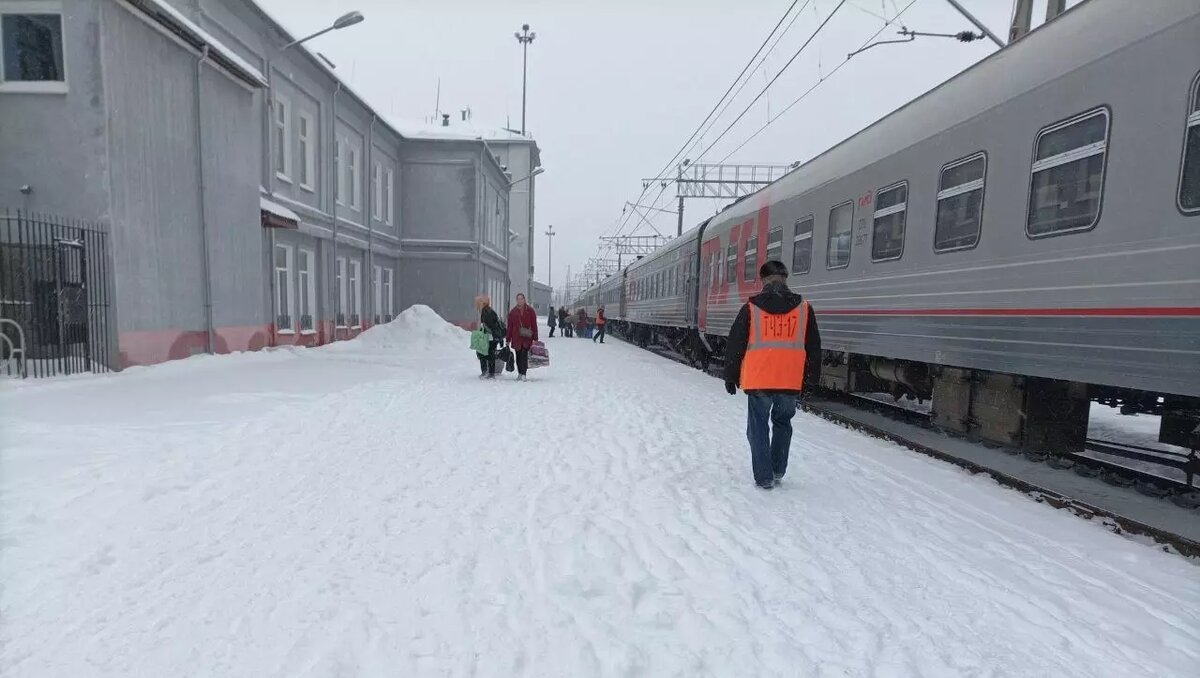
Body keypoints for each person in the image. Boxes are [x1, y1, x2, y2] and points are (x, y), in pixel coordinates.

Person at [723, 260, 821, 490]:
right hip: (789, 380)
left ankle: (764, 477)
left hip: (759, 380)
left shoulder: (752, 307)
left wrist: (730, 374)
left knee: (757, 427)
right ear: (785, 279)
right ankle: (777, 470)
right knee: (783, 423)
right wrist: (811, 380)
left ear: (763, 280)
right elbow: (814, 348)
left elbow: (735, 343)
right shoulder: (804, 308)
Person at [506, 293, 539, 381]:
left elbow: (534, 324)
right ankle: (520, 373)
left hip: (527, 337)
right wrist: (508, 339)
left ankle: (523, 373)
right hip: (516, 337)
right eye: (518, 299)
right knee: (518, 355)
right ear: (516, 300)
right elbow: (510, 326)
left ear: (524, 300)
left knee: (524, 354)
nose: (520, 301)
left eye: (521, 299)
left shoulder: (530, 311)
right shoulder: (513, 312)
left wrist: (535, 337)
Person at [476, 294, 505, 379]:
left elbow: (491, 326)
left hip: (490, 337)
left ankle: (487, 372)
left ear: (482, 303)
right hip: (491, 337)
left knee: (485, 353)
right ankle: (489, 372)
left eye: (478, 303)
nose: (476, 305)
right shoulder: (487, 311)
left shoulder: (486, 312)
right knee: (488, 353)